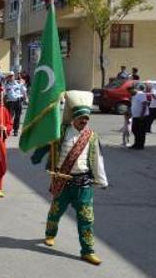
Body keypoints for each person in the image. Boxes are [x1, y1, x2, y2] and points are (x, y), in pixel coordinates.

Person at [31, 100, 108, 266]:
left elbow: (97, 159)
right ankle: (50, 234)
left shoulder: (92, 136)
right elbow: (46, 144)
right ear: (73, 118)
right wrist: (37, 156)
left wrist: (101, 180)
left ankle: (87, 251)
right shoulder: (61, 131)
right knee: (55, 212)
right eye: (81, 117)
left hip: (83, 183)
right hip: (62, 180)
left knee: (86, 219)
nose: (84, 120)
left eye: (87, 118)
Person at [129, 83, 149, 149]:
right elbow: (133, 105)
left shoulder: (141, 94)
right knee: (134, 130)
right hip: (135, 116)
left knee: (141, 131)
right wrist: (130, 113)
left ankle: (140, 145)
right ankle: (136, 143)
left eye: (130, 91)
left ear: (134, 89)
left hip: (142, 116)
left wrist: (142, 115)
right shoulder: (133, 96)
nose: (129, 93)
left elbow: (144, 104)